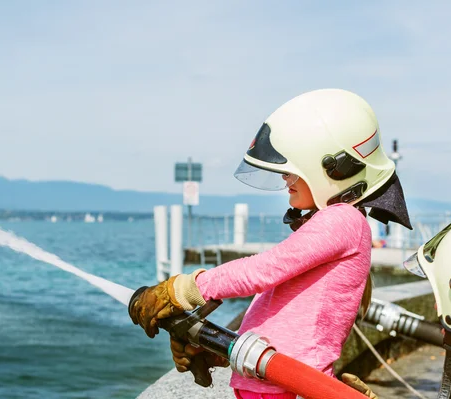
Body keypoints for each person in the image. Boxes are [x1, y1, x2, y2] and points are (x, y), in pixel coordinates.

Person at [129, 88, 412, 399]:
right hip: (272, 378)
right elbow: (285, 312)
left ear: (335, 169)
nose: (285, 181)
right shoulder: (336, 223)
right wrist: (216, 349)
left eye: (292, 172)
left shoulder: (344, 219)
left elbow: (266, 269)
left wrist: (184, 290)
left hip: (287, 383)